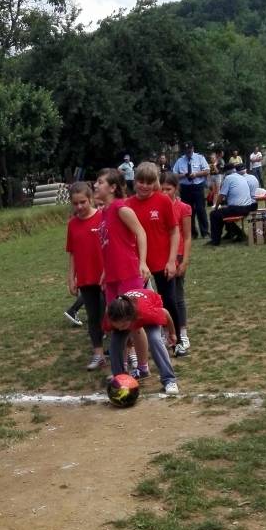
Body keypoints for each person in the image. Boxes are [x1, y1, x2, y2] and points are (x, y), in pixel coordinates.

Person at [93, 168, 152, 378]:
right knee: (116, 324)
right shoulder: (104, 212)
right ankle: (123, 369)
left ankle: (143, 368)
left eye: (100, 182)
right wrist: (104, 272)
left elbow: (141, 232)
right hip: (112, 277)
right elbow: (109, 245)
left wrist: (143, 262)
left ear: (113, 187)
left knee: (134, 324)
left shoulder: (121, 208)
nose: (96, 185)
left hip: (128, 273)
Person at [127, 161, 179, 348]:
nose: (144, 186)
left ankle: (176, 338)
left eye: (149, 182)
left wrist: (172, 261)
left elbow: (174, 231)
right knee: (141, 306)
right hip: (139, 266)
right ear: (135, 181)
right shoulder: (127, 205)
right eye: (141, 181)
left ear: (154, 182)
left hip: (163, 262)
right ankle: (143, 343)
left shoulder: (163, 200)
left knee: (169, 302)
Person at [103, 290, 180, 395]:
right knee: (114, 345)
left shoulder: (146, 313)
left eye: (123, 326)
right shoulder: (111, 318)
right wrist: (126, 339)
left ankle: (169, 380)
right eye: (117, 326)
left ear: (131, 319)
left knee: (155, 339)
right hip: (130, 312)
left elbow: (165, 313)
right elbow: (118, 332)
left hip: (149, 303)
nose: (120, 329)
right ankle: (120, 381)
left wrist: (172, 333)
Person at [65, 181, 106, 371]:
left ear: (90, 199)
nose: (79, 207)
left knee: (110, 314)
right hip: (85, 278)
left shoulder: (103, 217)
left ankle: (121, 352)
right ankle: (98, 354)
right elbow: (72, 252)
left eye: (83, 202)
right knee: (92, 317)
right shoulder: (72, 225)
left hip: (106, 277)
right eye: (75, 203)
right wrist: (71, 278)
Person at [161, 171, 193, 354]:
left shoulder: (183, 208)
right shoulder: (156, 207)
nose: (165, 192)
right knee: (165, 297)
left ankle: (183, 332)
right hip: (160, 257)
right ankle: (168, 331)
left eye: (169, 189)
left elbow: (187, 237)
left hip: (178, 255)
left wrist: (185, 261)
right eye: (162, 189)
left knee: (177, 297)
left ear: (176, 188)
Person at [209, 165, 256, 244]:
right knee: (223, 213)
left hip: (239, 208)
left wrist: (216, 207)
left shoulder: (228, 178)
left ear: (226, 172)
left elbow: (221, 195)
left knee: (214, 214)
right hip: (248, 207)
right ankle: (237, 233)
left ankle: (215, 241)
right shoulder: (241, 177)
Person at [172, 141, 209, 239]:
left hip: (198, 186)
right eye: (187, 149)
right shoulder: (180, 161)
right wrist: (184, 175)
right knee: (188, 211)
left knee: (201, 209)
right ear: (184, 150)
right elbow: (174, 175)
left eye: (190, 149)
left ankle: (205, 232)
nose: (189, 151)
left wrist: (196, 174)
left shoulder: (200, 158)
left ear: (193, 148)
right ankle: (192, 233)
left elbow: (207, 171)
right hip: (186, 188)